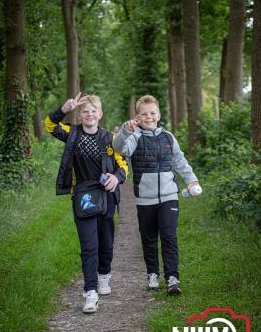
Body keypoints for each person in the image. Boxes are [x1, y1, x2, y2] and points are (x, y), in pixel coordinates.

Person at [45, 93, 128, 313]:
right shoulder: (72, 134)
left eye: (93, 111)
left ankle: (103, 277)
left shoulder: (110, 138)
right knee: (89, 245)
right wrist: (63, 110)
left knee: (106, 243)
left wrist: (116, 178)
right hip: (83, 197)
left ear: (100, 114)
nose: (89, 114)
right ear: (79, 115)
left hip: (107, 197)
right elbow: (50, 126)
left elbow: (123, 164)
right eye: (84, 111)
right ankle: (90, 291)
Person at [112, 95, 201, 295]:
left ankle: (172, 278)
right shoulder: (134, 136)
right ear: (138, 116)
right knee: (149, 238)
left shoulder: (168, 137)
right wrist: (126, 132)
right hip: (145, 198)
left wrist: (191, 180)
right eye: (144, 114)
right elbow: (118, 148)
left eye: (152, 113)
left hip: (169, 197)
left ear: (158, 115)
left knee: (169, 236)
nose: (149, 117)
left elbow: (180, 161)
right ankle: (152, 273)